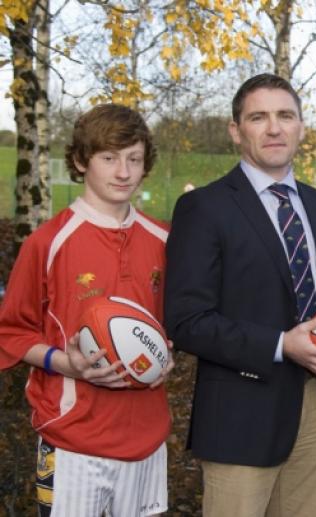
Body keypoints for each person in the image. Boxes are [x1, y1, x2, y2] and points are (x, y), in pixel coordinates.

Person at [164, 73, 316, 517]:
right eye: (259, 117)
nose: (274, 128)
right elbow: (187, 320)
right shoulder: (204, 208)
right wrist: (282, 345)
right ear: (236, 130)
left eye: (285, 115)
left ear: (301, 127)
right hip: (241, 413)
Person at [0, 104, 173, 516]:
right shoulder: (47, 242)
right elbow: (10, 331)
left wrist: (167, 350)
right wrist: (65, 363)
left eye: (134, 159)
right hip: (74, 439)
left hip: (148, 438)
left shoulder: (166, 239)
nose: (124, 172)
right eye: (109, 158)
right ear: (80, 161)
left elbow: (175, 322)